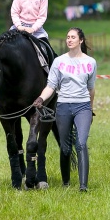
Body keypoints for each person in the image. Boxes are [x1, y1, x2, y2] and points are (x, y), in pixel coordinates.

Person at [32, 27, 97, 192]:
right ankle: (66, 183)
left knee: (81, 143)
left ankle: (83, 186)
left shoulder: (90, 62)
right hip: (63, 106)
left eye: (73, 37)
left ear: (80, 40)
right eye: (67, 37)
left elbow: (91, 89)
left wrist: (90, 109)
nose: (69, 40)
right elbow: (51, 86)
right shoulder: (59, 61)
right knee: (65, 147)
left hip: (82, 106)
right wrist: (41, 98)